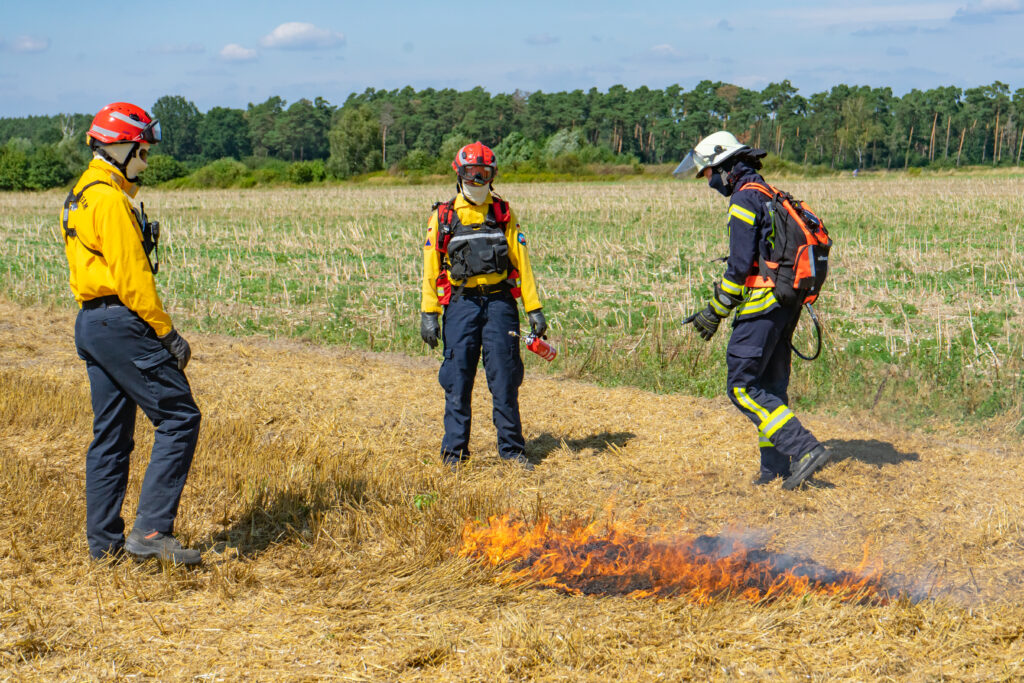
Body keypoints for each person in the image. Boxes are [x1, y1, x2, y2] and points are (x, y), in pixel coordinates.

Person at [61, 102, 202, 563]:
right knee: (180, 417)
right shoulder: (108, 199)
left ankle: (104, 547)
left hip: (91, 323)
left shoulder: (81, 194)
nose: (145, 162)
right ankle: (151, 533)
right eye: (141, 152)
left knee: (111, 436)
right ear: (120, 145)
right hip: (121, 322)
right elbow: (133, 276)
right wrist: (167, 334)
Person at [674, 131, 829, 489]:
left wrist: (714, 311)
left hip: (763, 304)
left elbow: (739, 268)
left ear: (724, 166)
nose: (707, 181)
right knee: (770, 387)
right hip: (785, 303)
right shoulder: (766, 192)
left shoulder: (744, 199)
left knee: (742, 386)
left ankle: (805, 449)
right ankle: (774, 467)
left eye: (708, 173)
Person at [420, 142, 547, 470]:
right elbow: (431, 268)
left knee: (505, 377)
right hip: (461, 306)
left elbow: (522, 258)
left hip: (500, 304)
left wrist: (534, 308)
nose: (478, 180)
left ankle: (513, 451)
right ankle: (454, 455)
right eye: (472, 173)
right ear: (459, 173)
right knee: (457, 378)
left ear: (493, 175)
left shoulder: (503, 212)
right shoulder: (444, 216)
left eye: (484, 173)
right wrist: (428, 314)